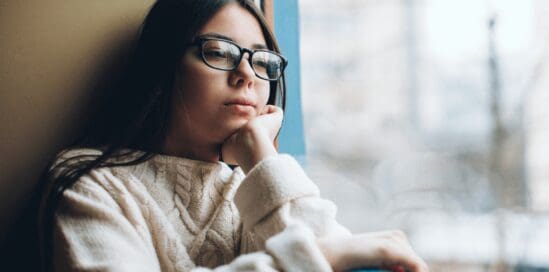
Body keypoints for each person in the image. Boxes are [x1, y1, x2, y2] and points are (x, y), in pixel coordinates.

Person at [37, 0, 429, 271]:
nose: (246, 74)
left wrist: (263, 159)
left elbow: (341, 255)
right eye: (220, 52)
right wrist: (314, 257)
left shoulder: (251, 183)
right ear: (165, 64)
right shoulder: (90, 181)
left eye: (262, 60)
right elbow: (326, 255)